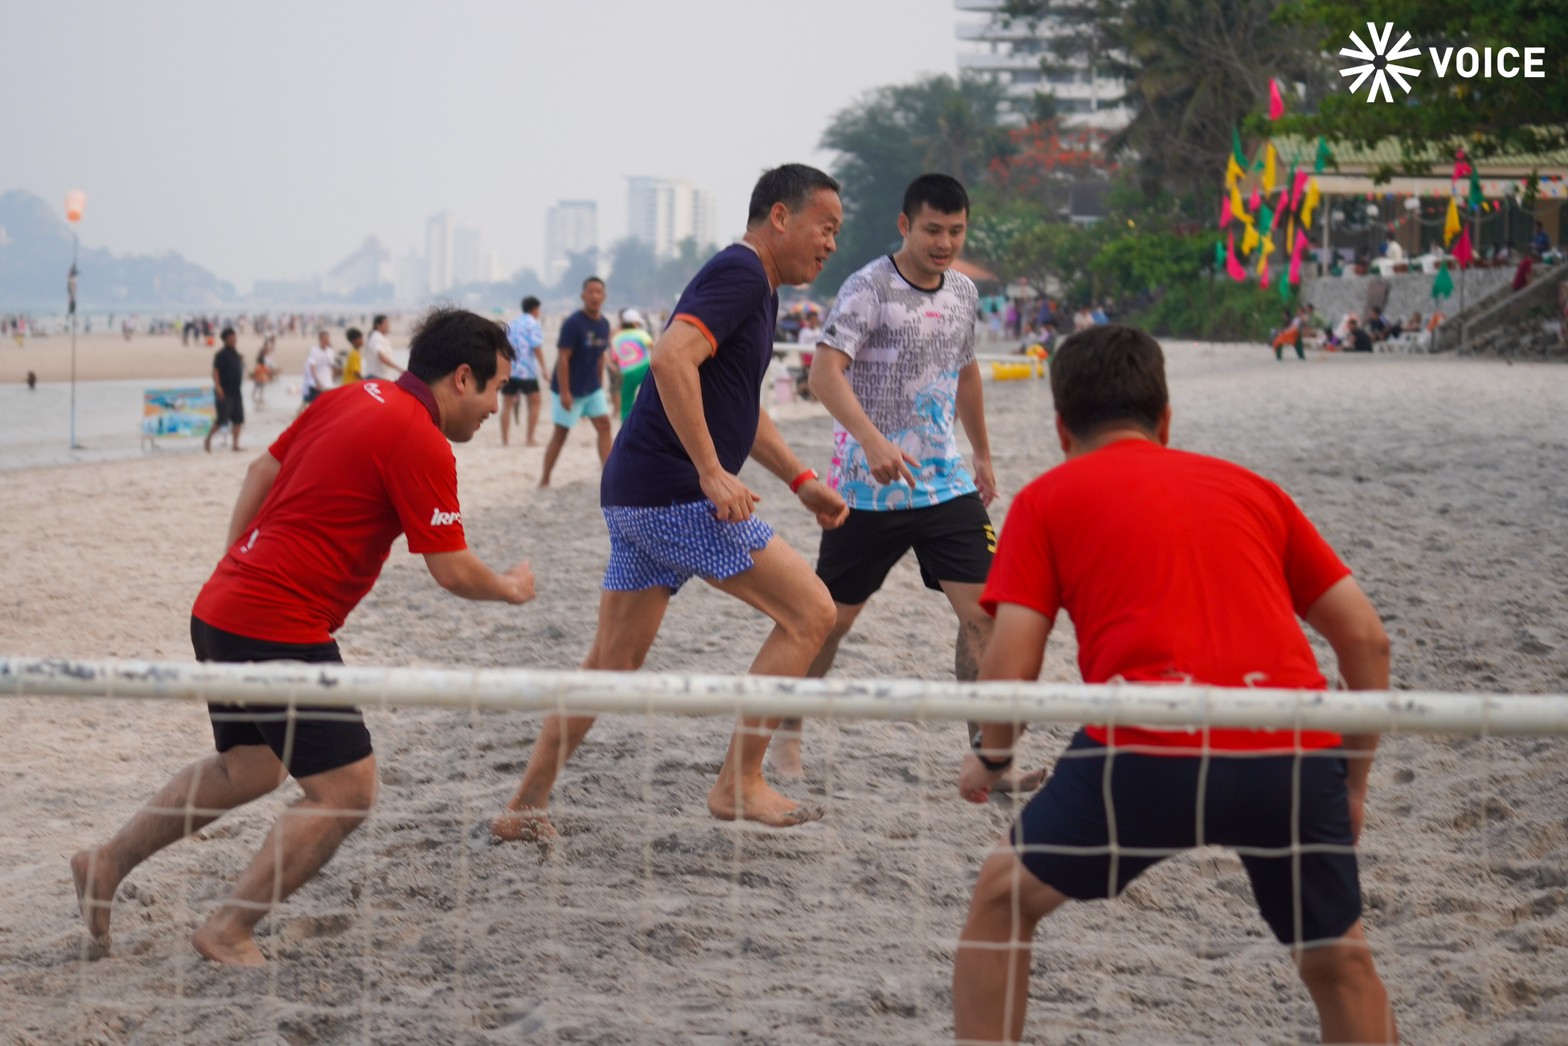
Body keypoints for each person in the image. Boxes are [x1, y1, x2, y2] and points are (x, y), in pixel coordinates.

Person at [951, 325, 1396, 1044]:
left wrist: (994, 756)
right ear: (1165, 419)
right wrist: (1351, 781)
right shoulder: (1254, 491)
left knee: (1003, 898)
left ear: (1062, 428)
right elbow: (1367, 640)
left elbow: (1012, 665)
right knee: (1341, 965)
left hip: (1148, 743)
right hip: (1287, 746)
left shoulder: (1046, 499)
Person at [70, 307, 536, 966]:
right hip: (274, 620)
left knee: (249, 767)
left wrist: (238, 565)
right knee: (347, 790)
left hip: (224, 606)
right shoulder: (420, 437)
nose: (494, 407)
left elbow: (260, 472)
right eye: (493, 391)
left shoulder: (351, 396)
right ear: (462, 378)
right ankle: (227, 929)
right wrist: (510, 586)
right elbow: (453, 571)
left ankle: (106, 862)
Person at [493, 163, 850, 845]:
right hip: (677, 497)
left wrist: (800, 479)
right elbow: (669, 358)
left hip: (636, 494)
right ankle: (738, 784)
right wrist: (713, 474)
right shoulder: (743, 273)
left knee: (611, 663)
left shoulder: (757, 285)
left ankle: (523, 807)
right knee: (812, 612)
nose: (831, 242)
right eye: (824, 227)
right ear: (780, 216)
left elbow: (739, 410)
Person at [775, 173, 1009, 783]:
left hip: (945, 485)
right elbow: (825, 374)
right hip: (866, 489)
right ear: (906, 225)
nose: (944, 243)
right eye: (933, 229)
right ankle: (789, 730)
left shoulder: (962, 293)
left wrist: (981, 452)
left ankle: (989, 753)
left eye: (956, 231)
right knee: (831, 620)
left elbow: (967, 373)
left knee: (987, 613)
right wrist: (872, 441)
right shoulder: (868, 287)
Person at [538, 277, 613, 487]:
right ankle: (544, 479)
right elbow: (563, 358)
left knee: (604, 426)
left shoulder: (605, 324)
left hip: (592, 388)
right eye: (591, 292)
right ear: (583, 296)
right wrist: (564, 392)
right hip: (568, 387)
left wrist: (600, 384)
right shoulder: (573, 323)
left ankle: (608, 476)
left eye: (599, 292)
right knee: (561, 433)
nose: (595, 296)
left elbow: (599, 356)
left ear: (604, 297)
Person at [502, 296, 547, 446]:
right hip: (527, 370)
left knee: (506, 405)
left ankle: (505, 440)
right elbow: (536, 346)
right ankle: (529, 438)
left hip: (510, 369)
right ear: (535, 309)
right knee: (535, 402)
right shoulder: (533, 324)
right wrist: (544, 368)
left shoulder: (513, 323)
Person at [204, 327, 245, 453]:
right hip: (224, 391)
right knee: (222, 419)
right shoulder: (221, 355)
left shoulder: (236, 354)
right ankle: (208, 440)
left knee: (238, 419)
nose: (234, 339)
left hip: (236, 391)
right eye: (232, 337)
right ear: (226, 339)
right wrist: (218, 386)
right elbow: (215, 371)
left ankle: (235, 445)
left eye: (235, 337)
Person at [610, 308, 654, 423]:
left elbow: (614, 358)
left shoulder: (616, 338)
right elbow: (653, 347)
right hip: (644, 368)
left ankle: (626, 427)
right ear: (635, 323)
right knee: (652, 396)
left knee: (626, 403)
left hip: (626, 372)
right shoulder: (641, 333)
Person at [361, 314, 403, 381]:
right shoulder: (376, 337)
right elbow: (381, 356)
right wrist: (399, 369)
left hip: (381, 378)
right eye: (386, 324)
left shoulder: (380, 337)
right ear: (378, 325)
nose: (388, 326)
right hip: (375, 377)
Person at [302, 330, 336, 409]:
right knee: (311, 405)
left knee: (326, 406)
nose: (326, 341)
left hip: (328, 384)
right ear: (320, 340)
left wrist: (332, 379)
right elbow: (312, 367)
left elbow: (332, 367)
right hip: (315, 384)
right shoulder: (314, 351)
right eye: (324, 340)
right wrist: (316, 381)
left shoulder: (330, 351)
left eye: (327, 339)